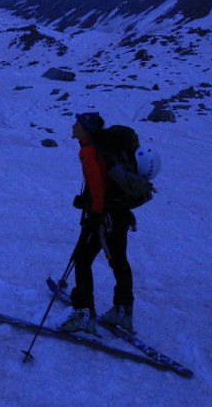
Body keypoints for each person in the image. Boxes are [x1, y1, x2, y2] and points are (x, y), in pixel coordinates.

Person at [59, 112, 135, 334]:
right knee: (119, 260)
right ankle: (123, 312)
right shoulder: (103, 146)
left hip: (104, 217)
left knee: (82, 260)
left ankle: (83, 314)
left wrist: (95, 216)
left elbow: (97, 187)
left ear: (85, 129)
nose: (73, 126)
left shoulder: (88, 151)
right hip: (120, 212)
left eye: (77, 124)